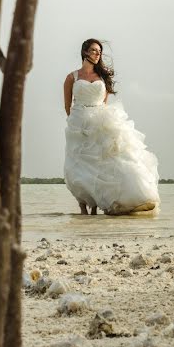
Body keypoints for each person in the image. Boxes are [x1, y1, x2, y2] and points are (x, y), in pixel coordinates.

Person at [62, 38, 160, 215]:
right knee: (79, 165)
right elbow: (67, 105)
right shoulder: (72, 77)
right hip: (78, 124)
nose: (97, 53)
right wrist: (76, 124)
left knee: (103, 162)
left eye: (99, 51)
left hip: (100, 122)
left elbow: (104, 103)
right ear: (84, 52)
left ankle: (105, 203)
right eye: (93, 50)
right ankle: (83, 207)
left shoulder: (102, 78)